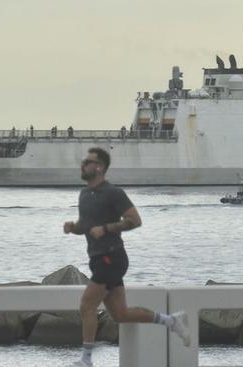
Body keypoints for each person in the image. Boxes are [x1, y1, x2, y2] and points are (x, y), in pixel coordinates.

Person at [63, 147, 189, 367]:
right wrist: (73, 227)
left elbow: (134, 220)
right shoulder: (84, 194)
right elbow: (86, 225)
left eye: (88, 162)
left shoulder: (113, 193)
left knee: (86, 305)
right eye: (84, 161)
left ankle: (86, 360)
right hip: (97, 259)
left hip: (111, 257)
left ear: (100, 167)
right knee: (120, 314)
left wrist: (107, 228)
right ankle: (171, 321)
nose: (83, 165)